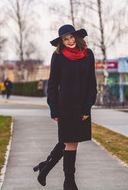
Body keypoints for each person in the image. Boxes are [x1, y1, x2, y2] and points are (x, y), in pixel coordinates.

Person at [33, 24, 97, 190]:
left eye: (71, 37)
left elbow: (92, 83)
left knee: (67, 141)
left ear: (77, 36)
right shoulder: (58, 56)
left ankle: (45, 167)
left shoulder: (88, 54)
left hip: (82, 105)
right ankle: (69, 183)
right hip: (65, 106)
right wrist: (53, 108)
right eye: (65, 39)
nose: (69, 41)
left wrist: (87, 107)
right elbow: (53, 85)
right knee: (71, 142)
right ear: (61, 41)